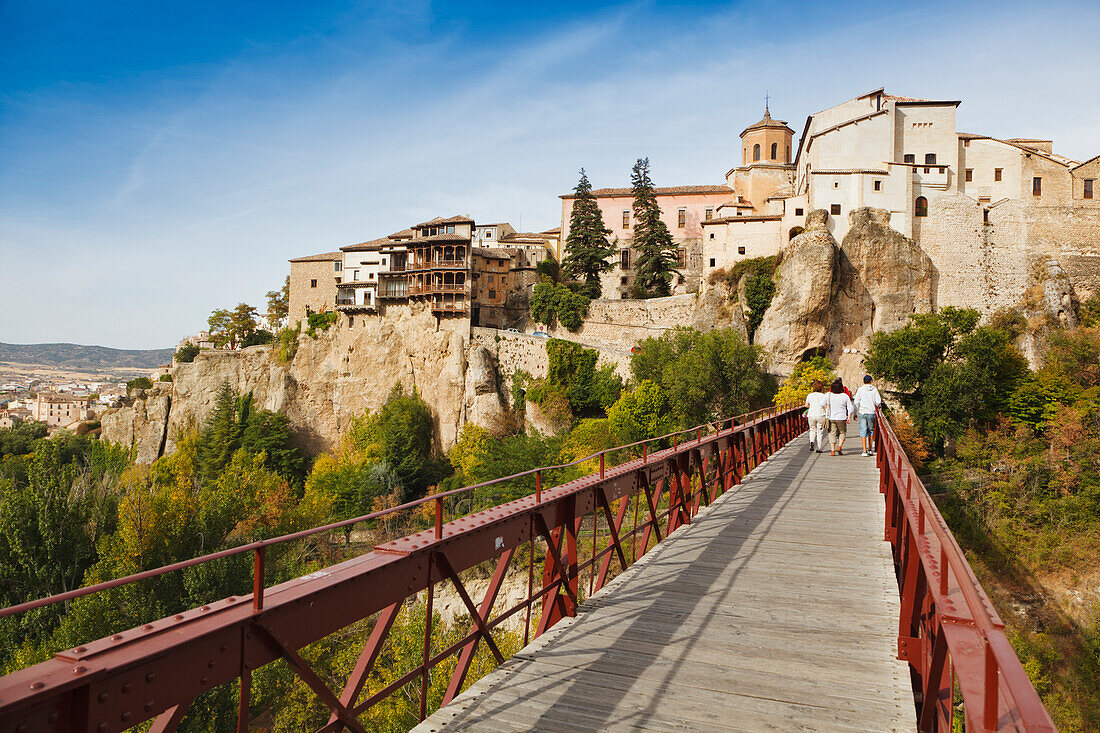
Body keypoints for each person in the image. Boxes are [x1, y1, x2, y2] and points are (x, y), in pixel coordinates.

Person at [853, 374, 882, 457]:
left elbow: (856, 402)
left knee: (863, 431)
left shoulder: (860, 390)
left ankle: (864, 450)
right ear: (871, 381)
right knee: (871, 431)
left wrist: (855, 413)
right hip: (871, 412)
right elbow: (878, 402)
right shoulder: (874, 390)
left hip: (862, 412)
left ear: (863, 381)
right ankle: (870, 449)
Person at [825, 378, 855, 455]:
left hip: (831, 417)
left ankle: (832, 451)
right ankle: (839, 447)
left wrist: (826, 409)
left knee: (832, 433)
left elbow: (822, 404)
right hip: (842, 417)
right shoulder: (844, 396)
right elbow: (850, 408)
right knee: (842, 432)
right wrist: (849, 417)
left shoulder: (828, 395)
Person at [804, 380, 828, 453]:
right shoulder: (824, 396)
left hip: (811, 414)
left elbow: (806, 405)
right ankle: (819, 448)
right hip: (820, 414)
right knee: (819, 431)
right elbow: (825, 407)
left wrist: (812, 406)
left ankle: (812, 442)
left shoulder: (810, 395)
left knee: (812, 429)